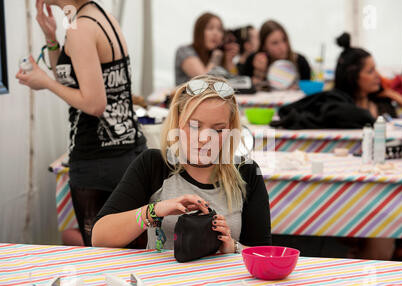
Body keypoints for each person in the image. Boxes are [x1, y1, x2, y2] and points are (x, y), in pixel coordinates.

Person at [16, 0, 147, 247]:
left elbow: (94, 103)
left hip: (99, 161)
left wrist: (44, 81)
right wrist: (51, 39)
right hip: (124, 153)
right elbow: (72, 80)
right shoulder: (97, 16)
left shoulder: (80, 28)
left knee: (102, 256)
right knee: (129, 253)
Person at [91, 75, 272, 251]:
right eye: (194, 126)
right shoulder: (154, 165)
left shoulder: (246, 172)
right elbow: (99, 238)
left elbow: (264, 254)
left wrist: (232, 247)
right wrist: (154, 211)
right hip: (161, 280)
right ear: (177, 123)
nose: (204, 139)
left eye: (218, 130)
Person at [335, 32, 402, 120]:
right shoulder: (337, 111)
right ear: (352, 76)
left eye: (375, 69)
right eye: (370, 71)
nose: (378, 75)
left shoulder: (383, 105)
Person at [240, 20, 312, 89]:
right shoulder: (253, 60)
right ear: (264, 46)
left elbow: (308, 88)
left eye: (284, 40)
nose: (282, 47)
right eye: (275, 43)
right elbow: (243, 89)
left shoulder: (300, 60)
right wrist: (259, 74)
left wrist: (298, 87)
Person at [175, 12, 239, 86]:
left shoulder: (217, 54)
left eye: (220, 30)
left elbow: (236, 83)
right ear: (199, 32)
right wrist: (216, 57)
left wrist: (229, 61)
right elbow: (204, 80)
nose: (215, 33)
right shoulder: (184, 51)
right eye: (210, 28)